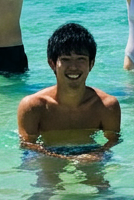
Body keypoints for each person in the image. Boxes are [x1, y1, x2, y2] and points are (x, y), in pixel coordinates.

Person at [17, 23, 121, 162]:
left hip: (89, 151)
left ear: (91, 64)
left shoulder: (106, 106)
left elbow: (112, 141)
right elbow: (28, 145)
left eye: (81, 59)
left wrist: (95, 154)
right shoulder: (33, 106)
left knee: (99, 180)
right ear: (52, 64)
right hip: (48, 152)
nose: (73, 67)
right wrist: (62, 158)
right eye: (65, 59)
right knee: (46, 177)